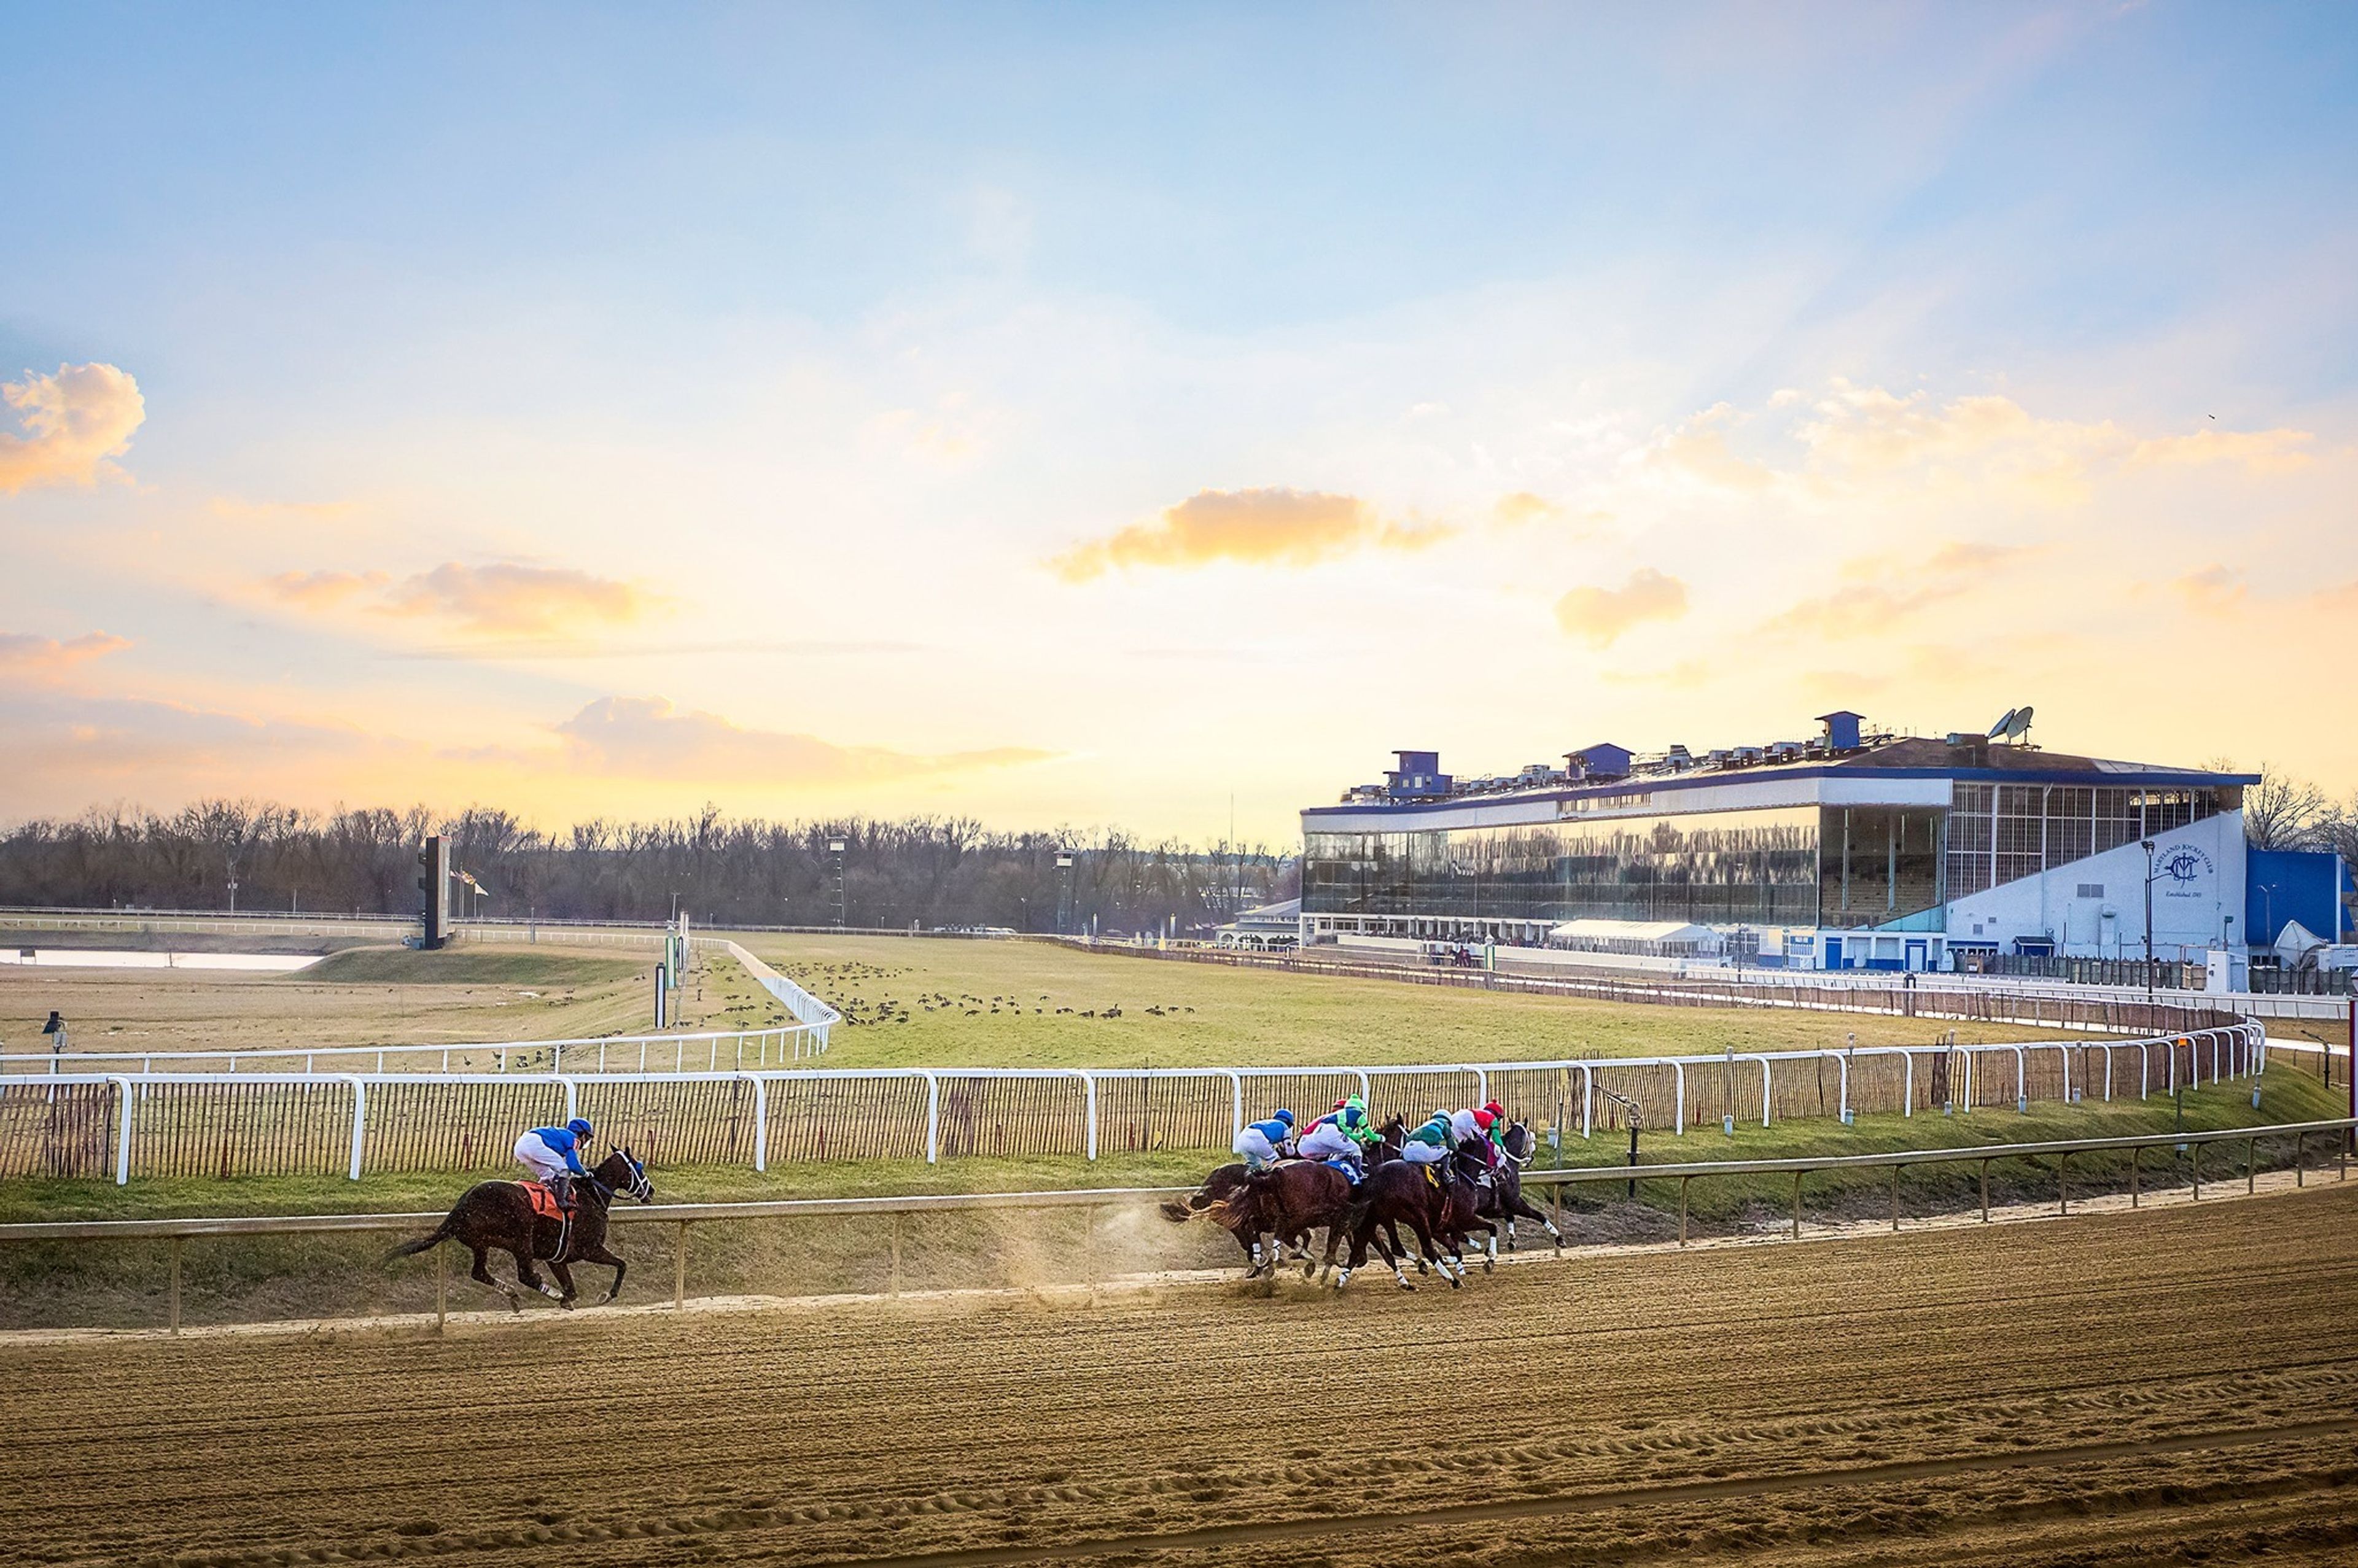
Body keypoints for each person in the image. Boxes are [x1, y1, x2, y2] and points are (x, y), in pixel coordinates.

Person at [515, 1117, 596, 1211]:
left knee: (548, 1175)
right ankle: (562, 1202)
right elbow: (573, 1165)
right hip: (534, 1143)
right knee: (564, 1170)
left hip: (520, 1147)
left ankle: (542, 1199)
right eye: (587, 1138)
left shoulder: (562, 1136)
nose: (586, 1142)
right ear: (582, 1134)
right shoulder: (574, 1138)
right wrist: (586, 1174)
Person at [1295, 1100, 1364, 1182]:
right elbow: (1348, 1140)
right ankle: (1357, 1173)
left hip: (1304, 1145)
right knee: (1349, 1149)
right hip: (1314, 1146)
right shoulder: (1337, 1122)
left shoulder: (1326, 1118)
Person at [1233, 1109, 1294, 1173]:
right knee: (1274, 1159)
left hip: (1242, 1138)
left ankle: (1241, 1176)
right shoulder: (1286, 1129)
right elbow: (1290, 1151)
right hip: (1257, 1137)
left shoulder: (1270, 1123)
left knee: (1255, 1165)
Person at [1400, 1110, 1453, 1181]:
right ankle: (1446, 1176)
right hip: (1423, 1154)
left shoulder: (1425, 1124)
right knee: (1447, 1148)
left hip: (1406, 1153)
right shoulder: (1445, 1126)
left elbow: (1408, 1139)